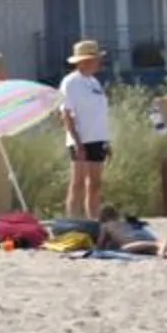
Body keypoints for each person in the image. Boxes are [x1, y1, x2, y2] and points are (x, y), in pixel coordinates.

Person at [59, 39, 112, 220]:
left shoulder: (94, 82)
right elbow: (66, 113)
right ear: (84, 61)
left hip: (98, 138)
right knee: (78, 183)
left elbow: (99, 113)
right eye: (95, 59)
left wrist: (107, 140)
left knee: (95, 184)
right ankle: (73, 220)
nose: (99, 62)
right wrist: (77, 142)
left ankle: (94, 221)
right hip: (80, 139)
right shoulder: (70, 82)